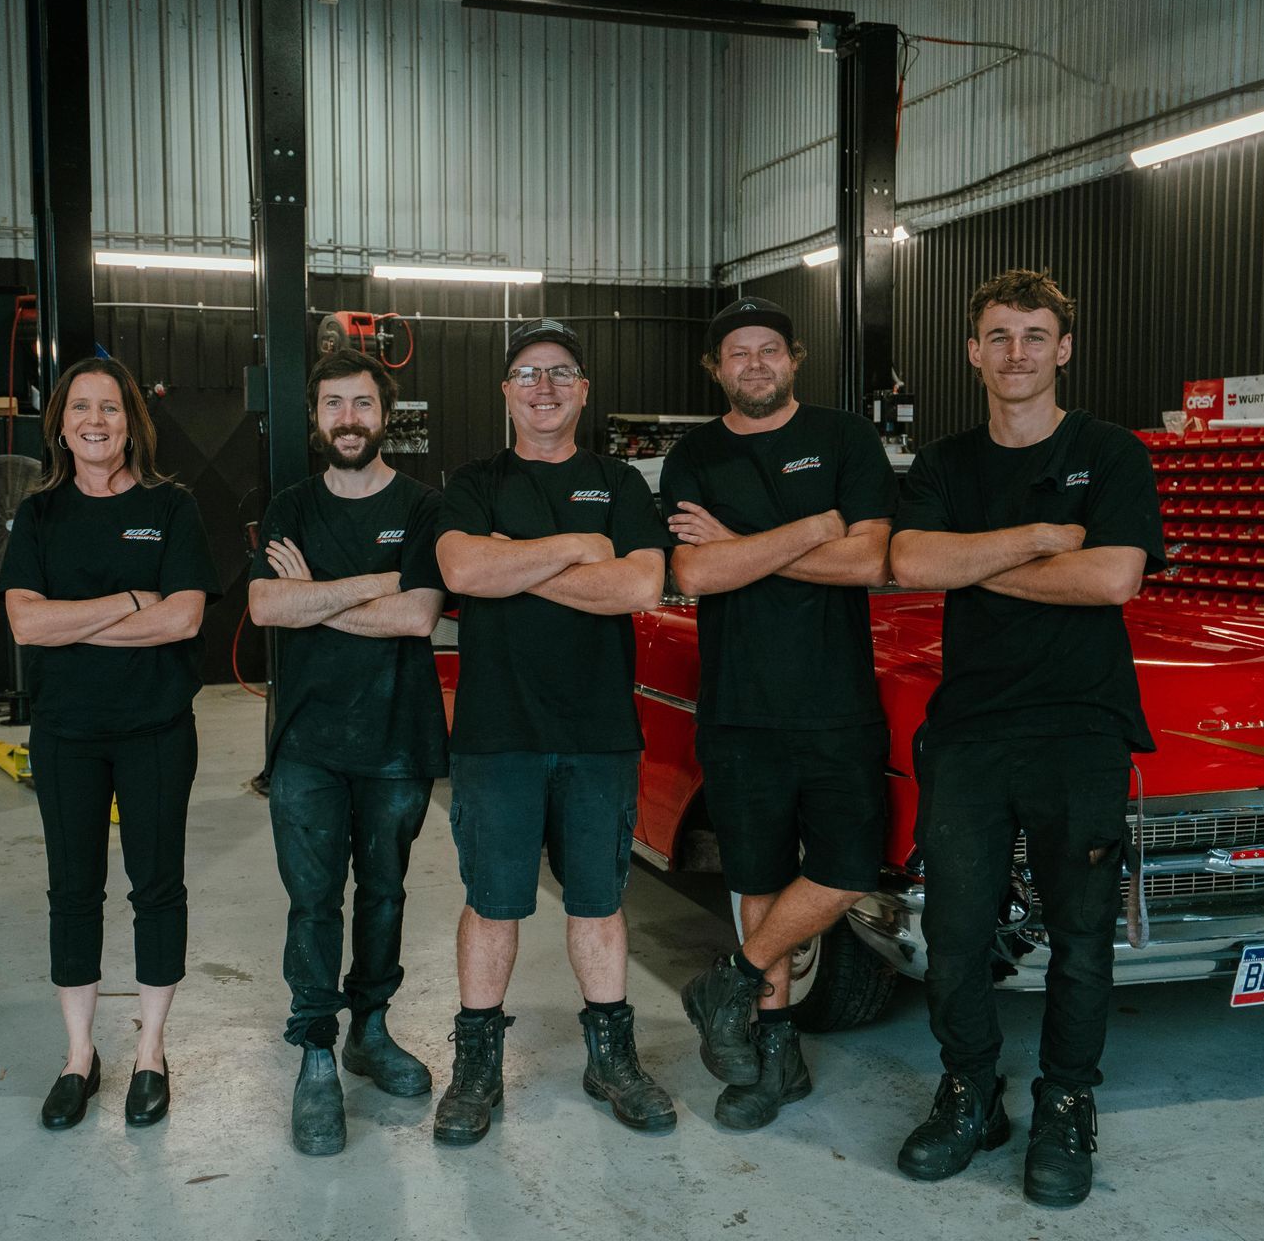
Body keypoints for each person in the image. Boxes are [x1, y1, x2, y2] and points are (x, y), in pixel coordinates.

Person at [886, 269, 1163, 1206]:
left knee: (1083, 937)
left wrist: (975, 559)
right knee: (957, 933)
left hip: (1082, 726)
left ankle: (1066, 1106)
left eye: (1035, 335)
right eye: (999, 336)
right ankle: (971, 1094)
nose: (1017, 353)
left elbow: (1113, 581)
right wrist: (1043, 536)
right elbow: (910, 558)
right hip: (968, 729)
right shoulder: (946, 461)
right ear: (973, 352)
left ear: (1064, 348)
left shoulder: (1112, 452)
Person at [430, 318, 674, 1145]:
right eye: (529, 375)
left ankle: (611, 1056)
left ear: (583, 390)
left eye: (561, 374)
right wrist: (576, 551)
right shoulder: (472, 480)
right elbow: (463, 572)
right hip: (498, 733)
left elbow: (639, 585)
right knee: (493, 903)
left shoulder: (621, 482)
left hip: (600, 729)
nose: (545, 388)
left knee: (598, 902)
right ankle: (476, 1065)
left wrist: (519, 564)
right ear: (506, 392)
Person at [662, 296, 894, 1130]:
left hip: (837, 703)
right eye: (737, 354)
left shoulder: (843, 439)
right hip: (739, 707)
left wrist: (743, 543)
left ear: (793, 359)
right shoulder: (695, 454)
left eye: (769, 350)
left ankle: (730, 978)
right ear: (717, 368)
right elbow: (695, 576)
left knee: (850, 867)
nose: (754, 364)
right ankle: (774, 1053)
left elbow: (869, 561)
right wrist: (811, 528)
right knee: (756, 878)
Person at [0, 355, 222, 1131]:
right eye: (82, 408)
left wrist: (77, 620)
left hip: (156, 730)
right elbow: (28, 625)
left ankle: (153, 1051)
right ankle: (78, 1056)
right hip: (65, 735)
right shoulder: (39, 515)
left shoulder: (172, 507)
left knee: (157, 887)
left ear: (134, 422)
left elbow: (185, 619)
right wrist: (130, 599)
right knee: (73, 890)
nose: (97, 421)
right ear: (61, 424)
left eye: (113, 409)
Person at [246, 348, 448, 1156]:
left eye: (362, 404)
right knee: (313, 901)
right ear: (316, 417)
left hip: (397, 740)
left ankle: (370, 1028)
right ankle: (316, 1053)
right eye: (333, 404)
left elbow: (418, 617)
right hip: (306, 746)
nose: (348, 419)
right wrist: (376, 581)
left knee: (387, 895)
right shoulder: (288, 505)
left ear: (384, 412)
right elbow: (265, 604)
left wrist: (318, 596)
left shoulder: (427, 506)